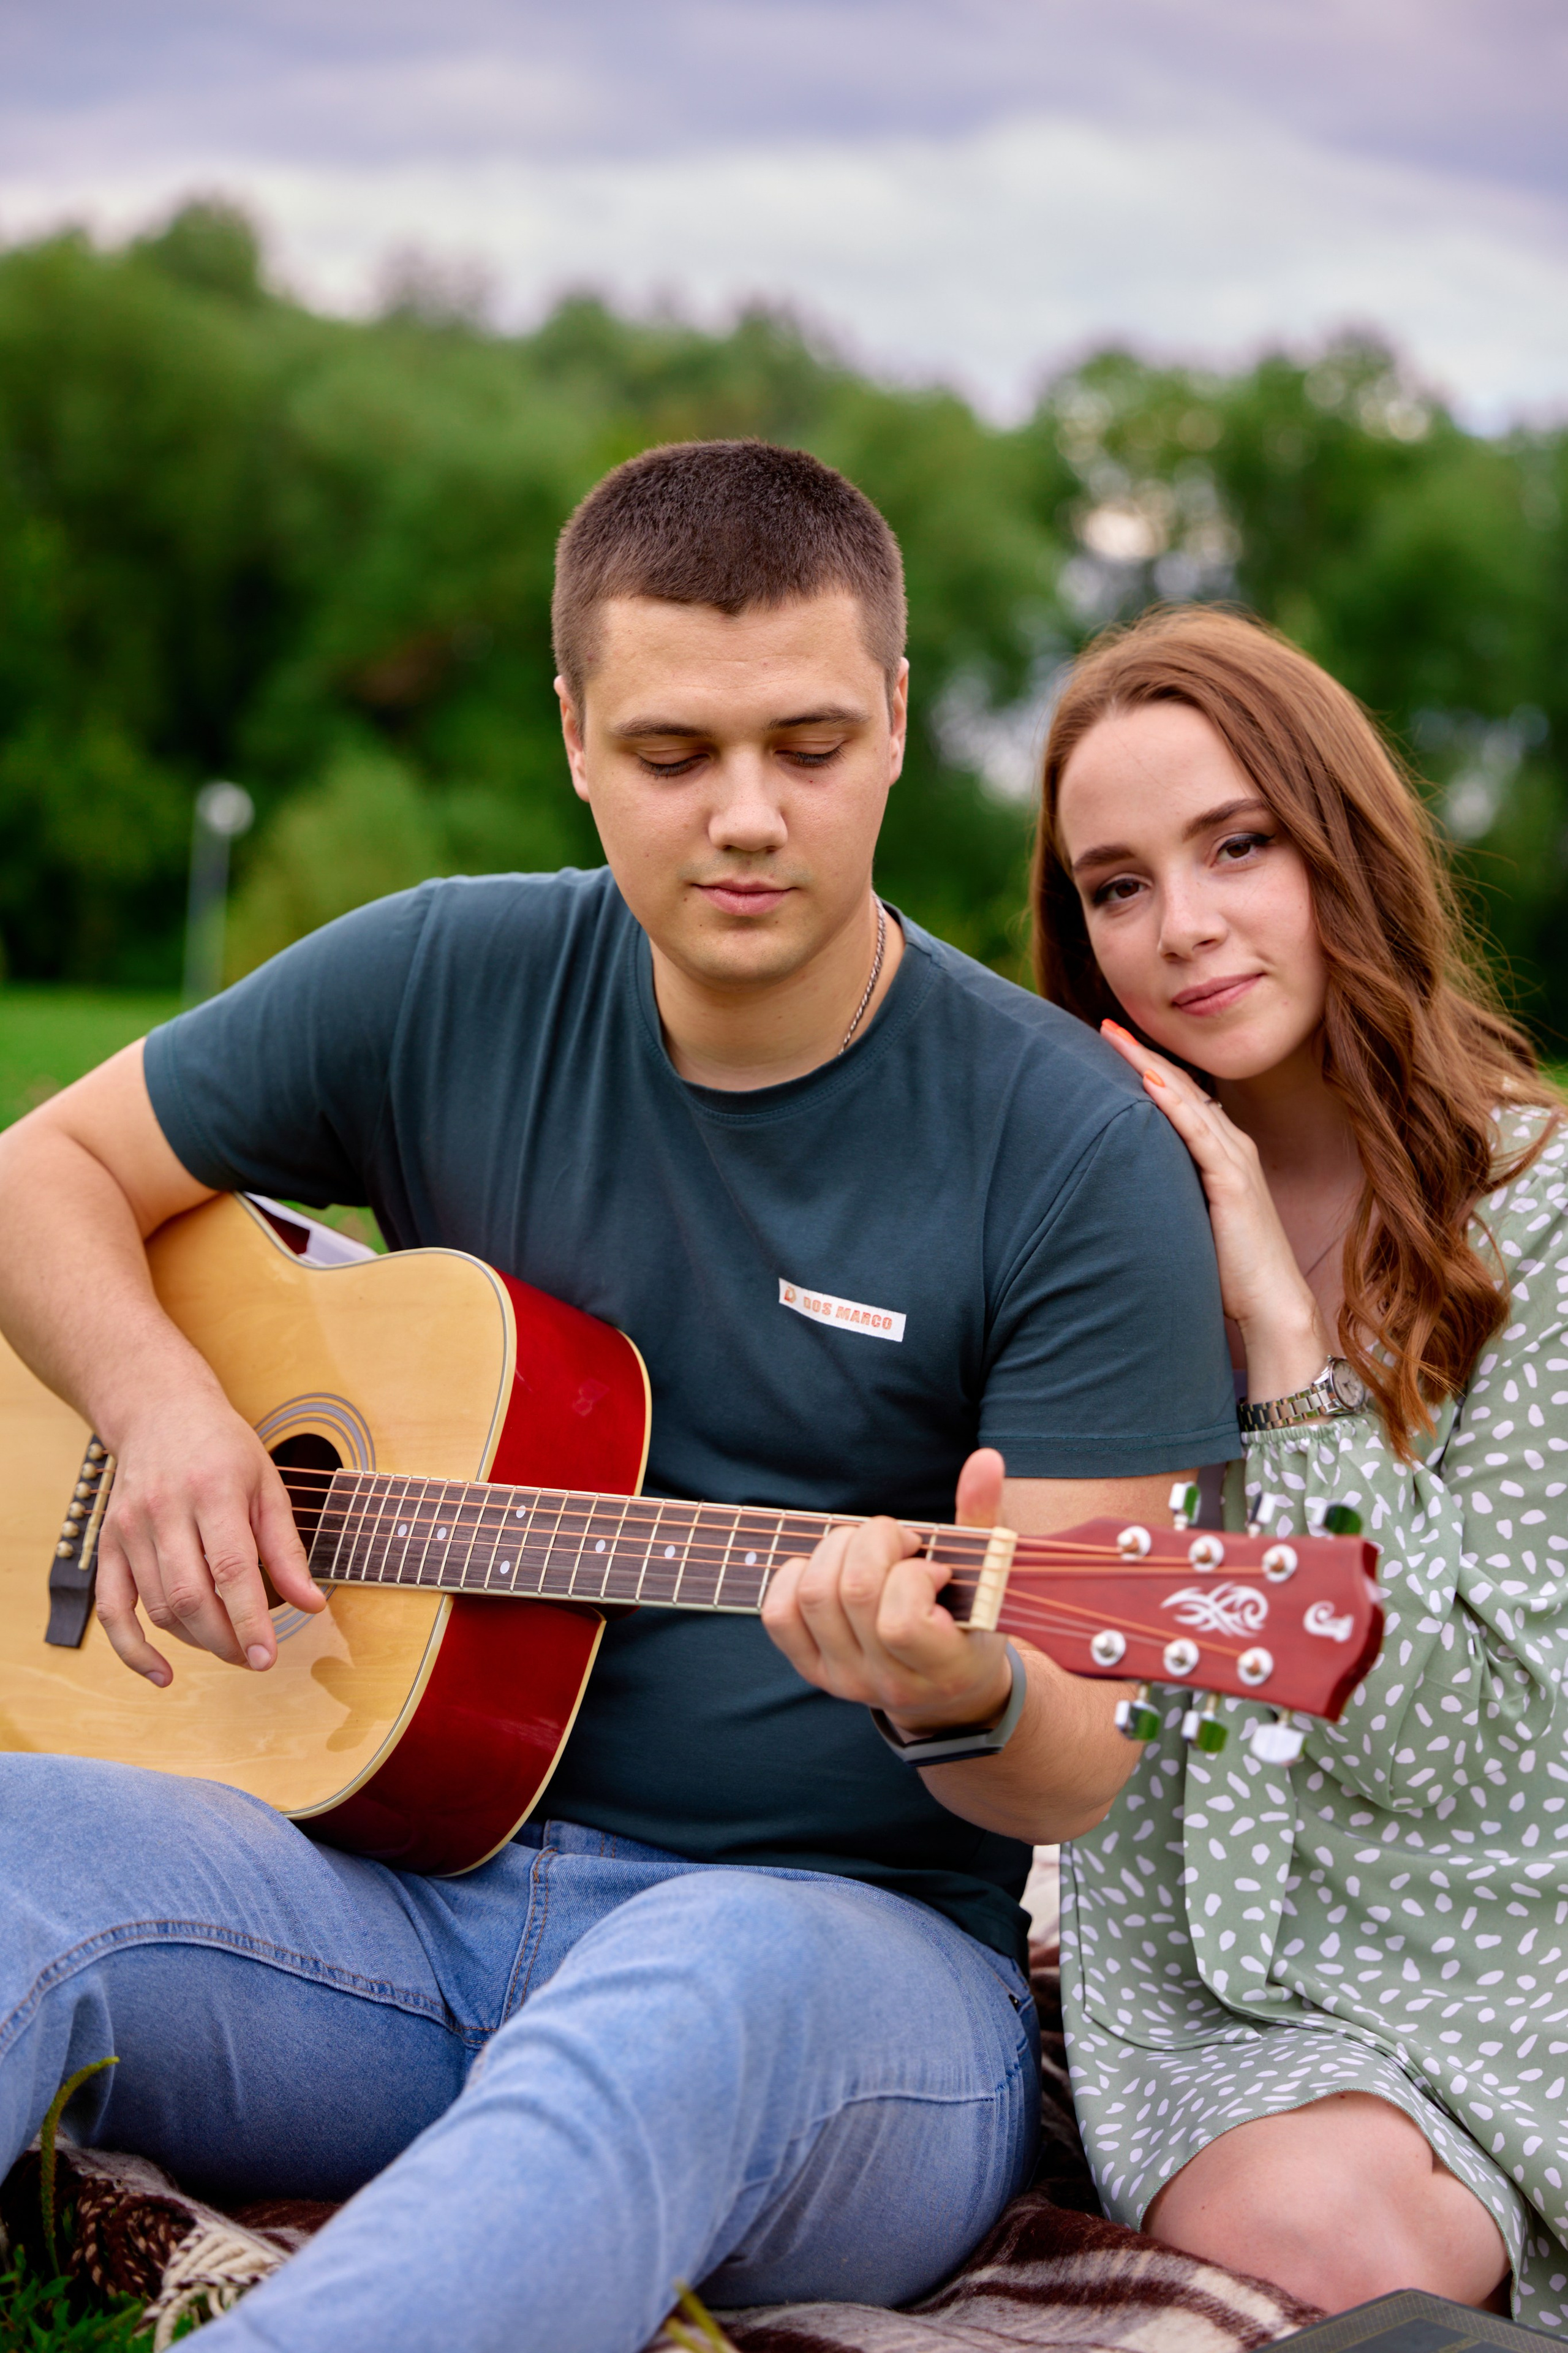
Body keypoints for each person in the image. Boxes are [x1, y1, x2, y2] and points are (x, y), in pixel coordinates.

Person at [0, 443, 1242, 2353]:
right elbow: (44, 1172)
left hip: (840, 1979)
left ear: (900, 720)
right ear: (576, 734)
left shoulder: (1071, 1149)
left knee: (691, 1984)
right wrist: (161, 1404)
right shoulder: (448, 975)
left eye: (809, 745)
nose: (747, 816)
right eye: (673, 753)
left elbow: (1079, 1754)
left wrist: (956, 1683)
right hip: (383, 1901)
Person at [1032, 601, 1568, 2325]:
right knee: (1317, 2229)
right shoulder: (1077, 1229)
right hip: (1205, 1990)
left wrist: (1283, 1338)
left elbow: (1456, 1744)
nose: (1181, 927)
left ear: (1345, 846)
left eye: (1238, 846)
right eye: (1117, 886)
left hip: (1504, 1954)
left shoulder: (1542, 1213)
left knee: (1364, 2243)